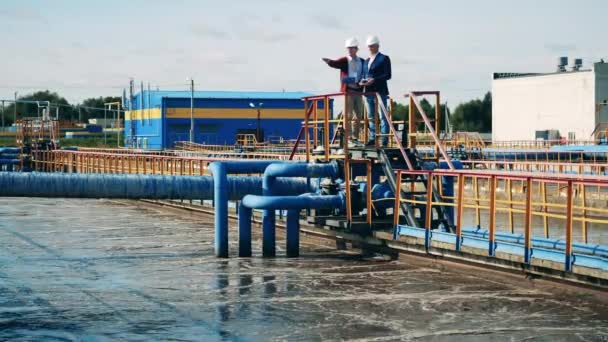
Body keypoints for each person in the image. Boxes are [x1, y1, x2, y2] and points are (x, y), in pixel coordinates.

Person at [322, 37, 365, 147]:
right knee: (348, 115)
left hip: (358, 92)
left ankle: (355, 137)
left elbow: (365, 72)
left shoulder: (362, 61)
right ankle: (349, 138)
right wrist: (329, 61)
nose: (350, 50)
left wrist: (363, 81)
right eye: (348, 48)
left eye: (352, 48)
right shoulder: (345, 60)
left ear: (356, 49)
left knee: (359, 115)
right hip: (348, 92)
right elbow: (335, 63)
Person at [360, 35, 391, 147]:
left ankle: (384, 139)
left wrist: (374, 80)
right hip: (368, 92)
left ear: (377, 46)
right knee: (371, 116)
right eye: (369, 46)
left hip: (380, 91)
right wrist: (362, 82)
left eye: (372, 46)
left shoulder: (384, 58)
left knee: (383, 116)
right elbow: (364, 74)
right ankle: (373, 138)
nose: (370, 48)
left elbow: (388, 75)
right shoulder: (366, 61)